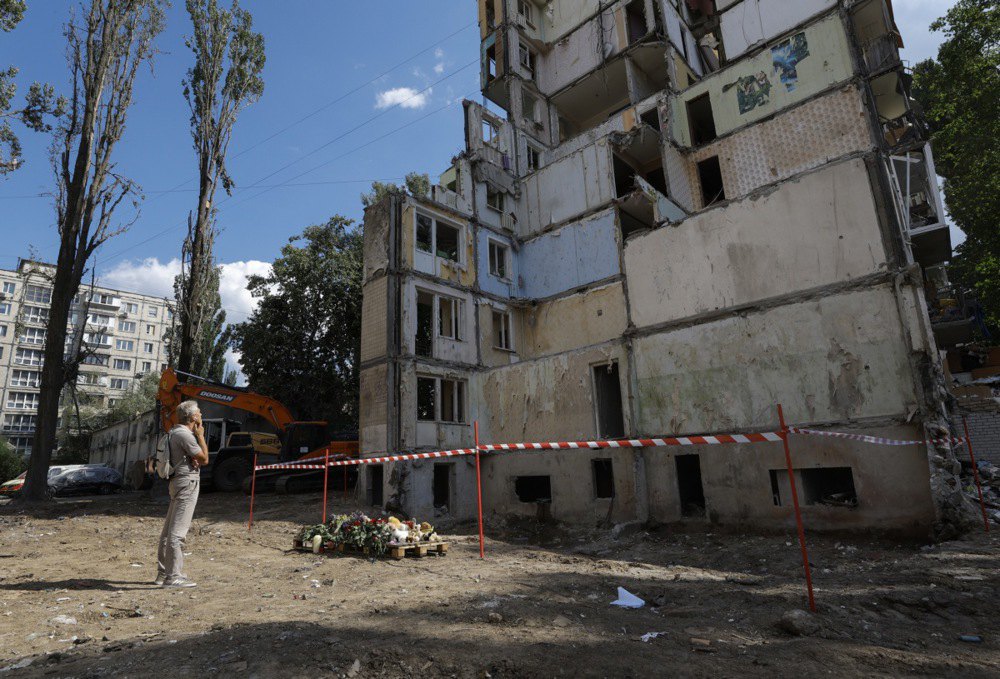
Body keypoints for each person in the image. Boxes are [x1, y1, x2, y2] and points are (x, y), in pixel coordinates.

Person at [156, 400, 209, 588]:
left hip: (176, 481)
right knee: (178, 532)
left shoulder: (173, 432)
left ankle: (163, 573)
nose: (201, 415)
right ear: (193, 417)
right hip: (187, 483)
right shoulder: (186, 435)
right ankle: (173, 576)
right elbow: (204, 459)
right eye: (199, 413)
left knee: (168, 530)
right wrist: (201, 436)